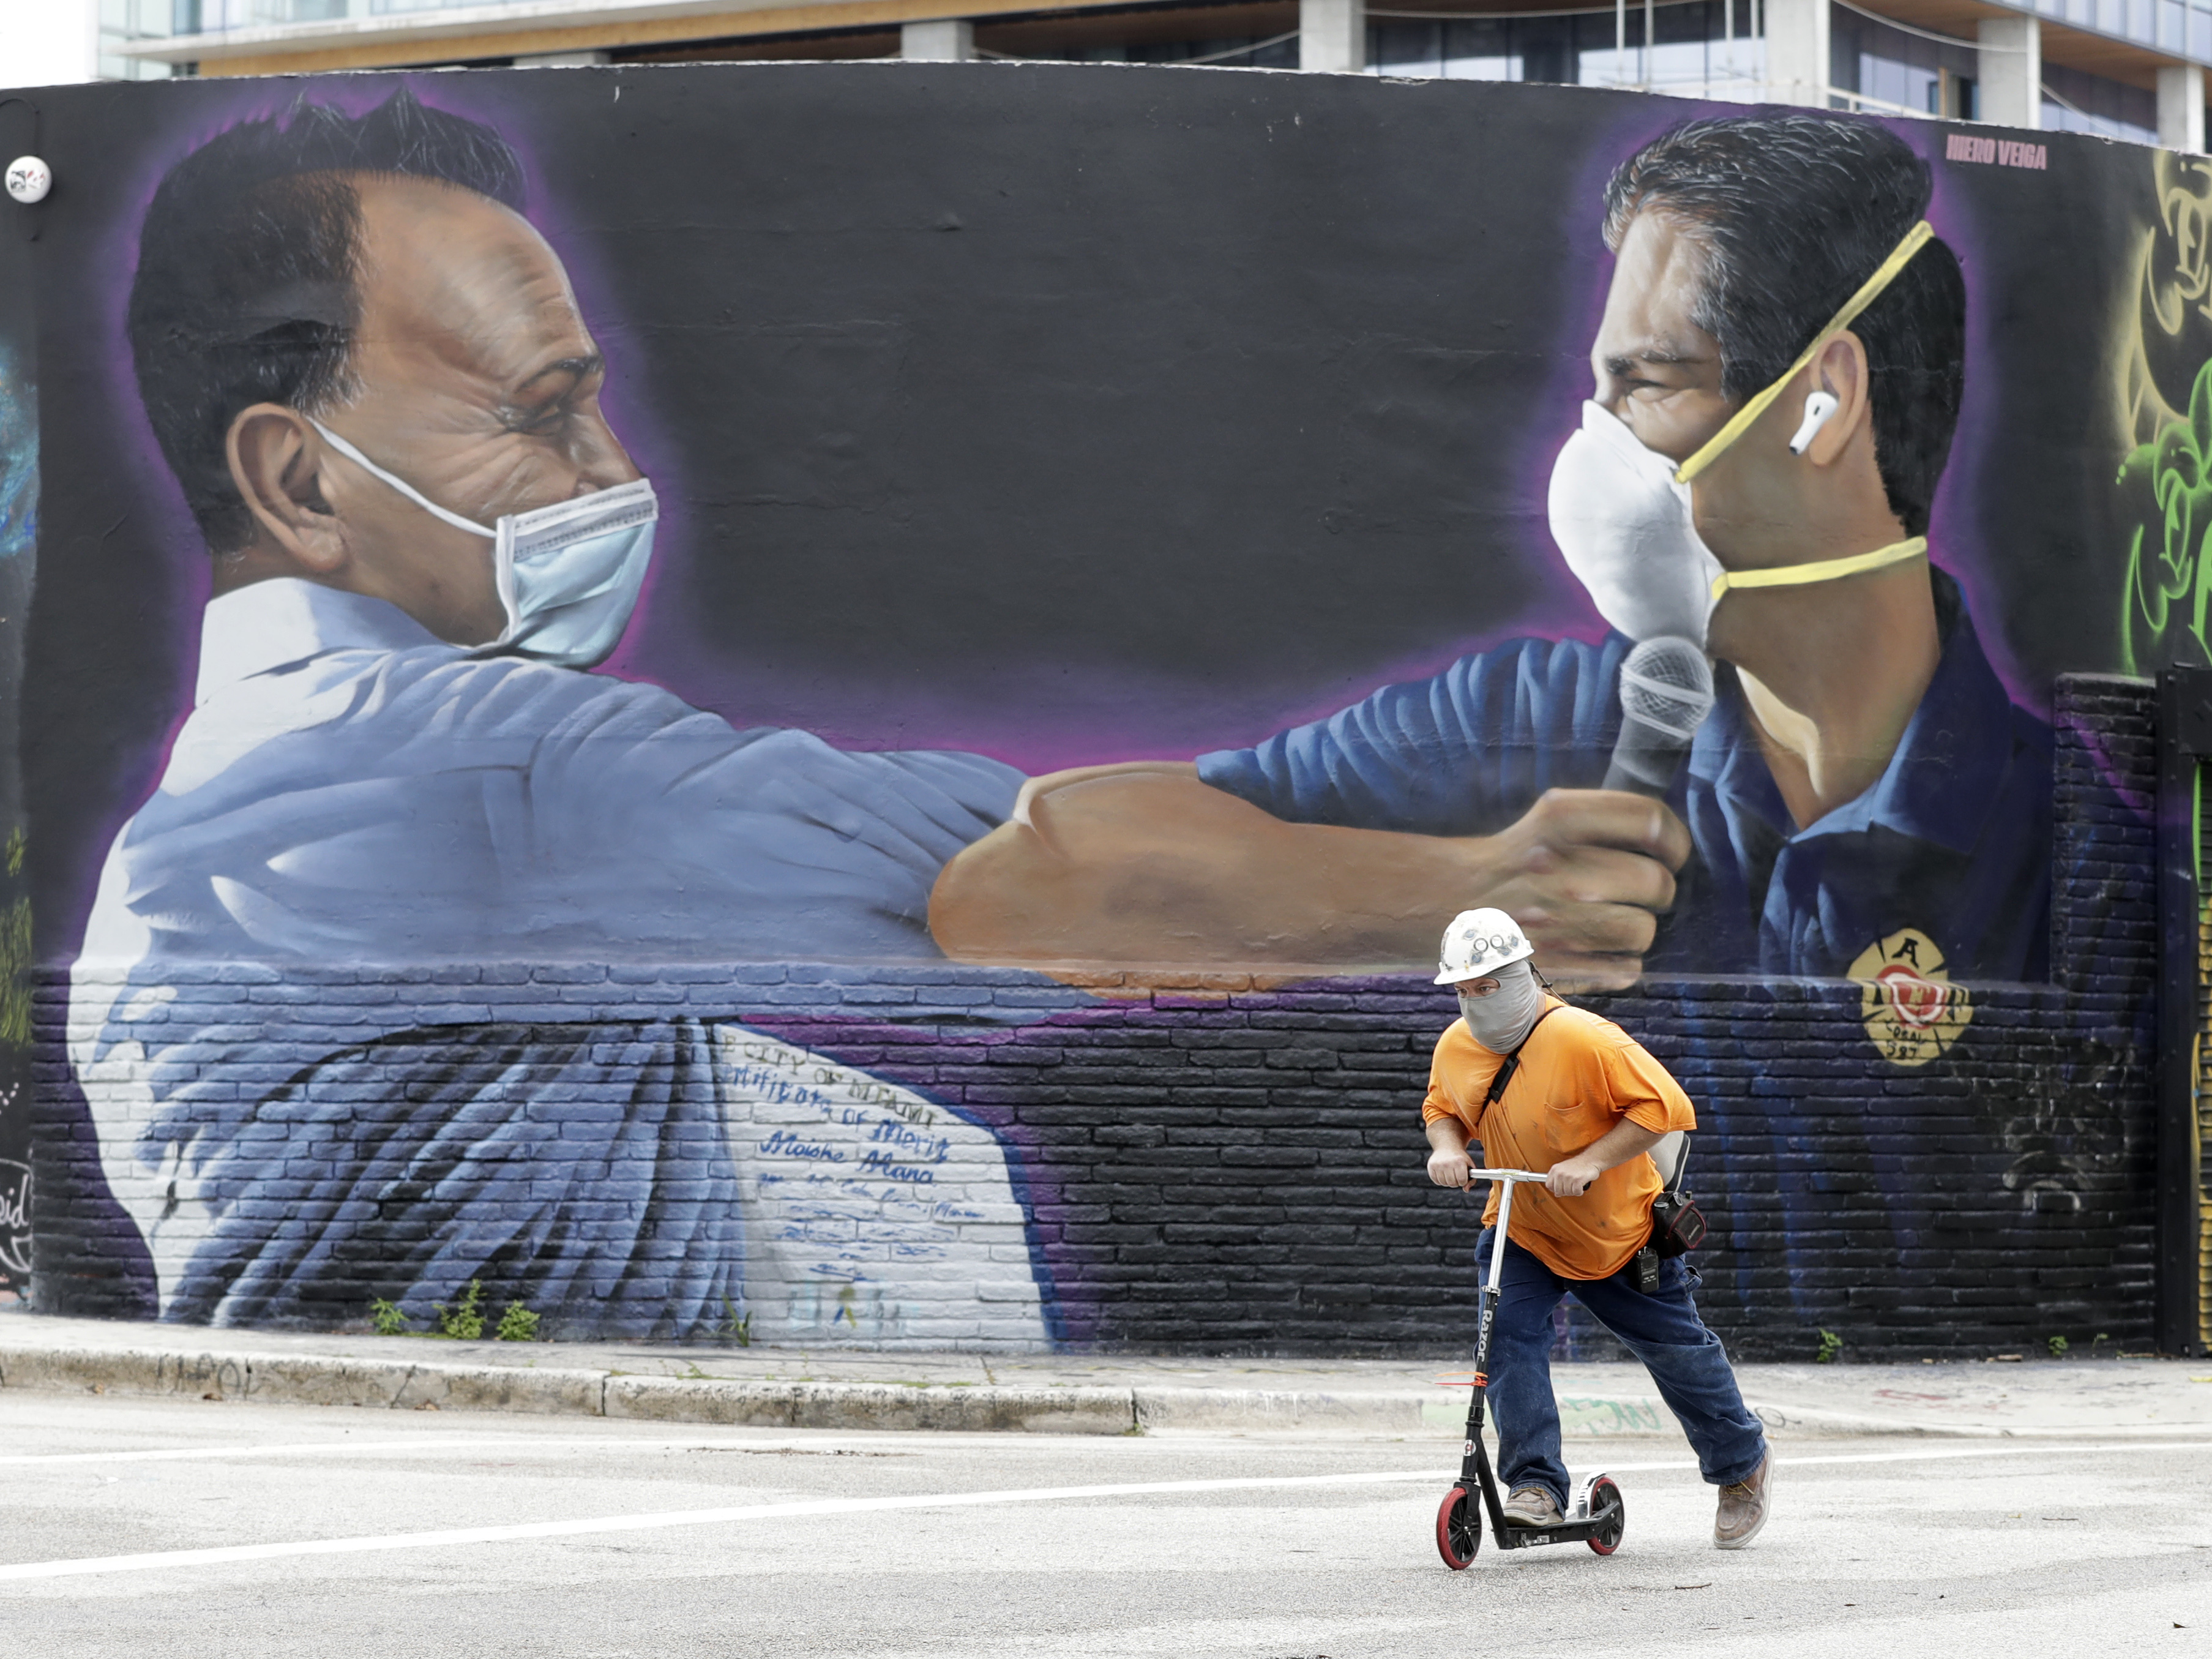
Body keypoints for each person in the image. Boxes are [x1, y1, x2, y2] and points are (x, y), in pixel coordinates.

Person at [66, 89, 1049, 1340]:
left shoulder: (227, 802)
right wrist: (1346, 815)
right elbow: (1044, 877)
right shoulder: (429, 769)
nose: (615, 474)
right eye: (541, 414)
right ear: (301, 479)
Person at [932, 112, 2050, 988]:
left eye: (1646, 385)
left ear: (1823, 401)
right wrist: (1456, 898)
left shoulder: (2070, 843)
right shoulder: (1537, 723)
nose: (1590, 448)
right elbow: (1012, 885)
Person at [1421, 907, 1773, 1548]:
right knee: (1507, 1346)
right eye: (1463, 991)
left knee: (1677, 1355)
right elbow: (1441, 1108)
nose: (1474, 1003)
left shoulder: (1586, 1039)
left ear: (1523, 975)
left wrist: (1589, 1161)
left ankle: (1740, 1462)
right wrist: (1445, 1147)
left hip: (1619, 1234)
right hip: (1523, 1227)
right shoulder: (1455, 1046)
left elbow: (1666, 1108)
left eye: (1487, 987)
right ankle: (1535, 1489)